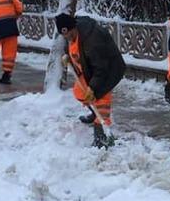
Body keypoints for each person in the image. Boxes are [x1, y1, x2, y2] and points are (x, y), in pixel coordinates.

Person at [54, 13, 126, 149]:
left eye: (68, 34)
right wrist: (67, 56)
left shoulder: (93, 40)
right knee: (80, 92)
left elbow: (101, 69)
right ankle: (94, 113)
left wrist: (92, 88)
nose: (67, 38)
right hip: (90, 70)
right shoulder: (72, 33)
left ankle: (101, 138)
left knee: (101, 101)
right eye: (64, 35)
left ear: (73, 28)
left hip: (108, 70)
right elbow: (70, 45)